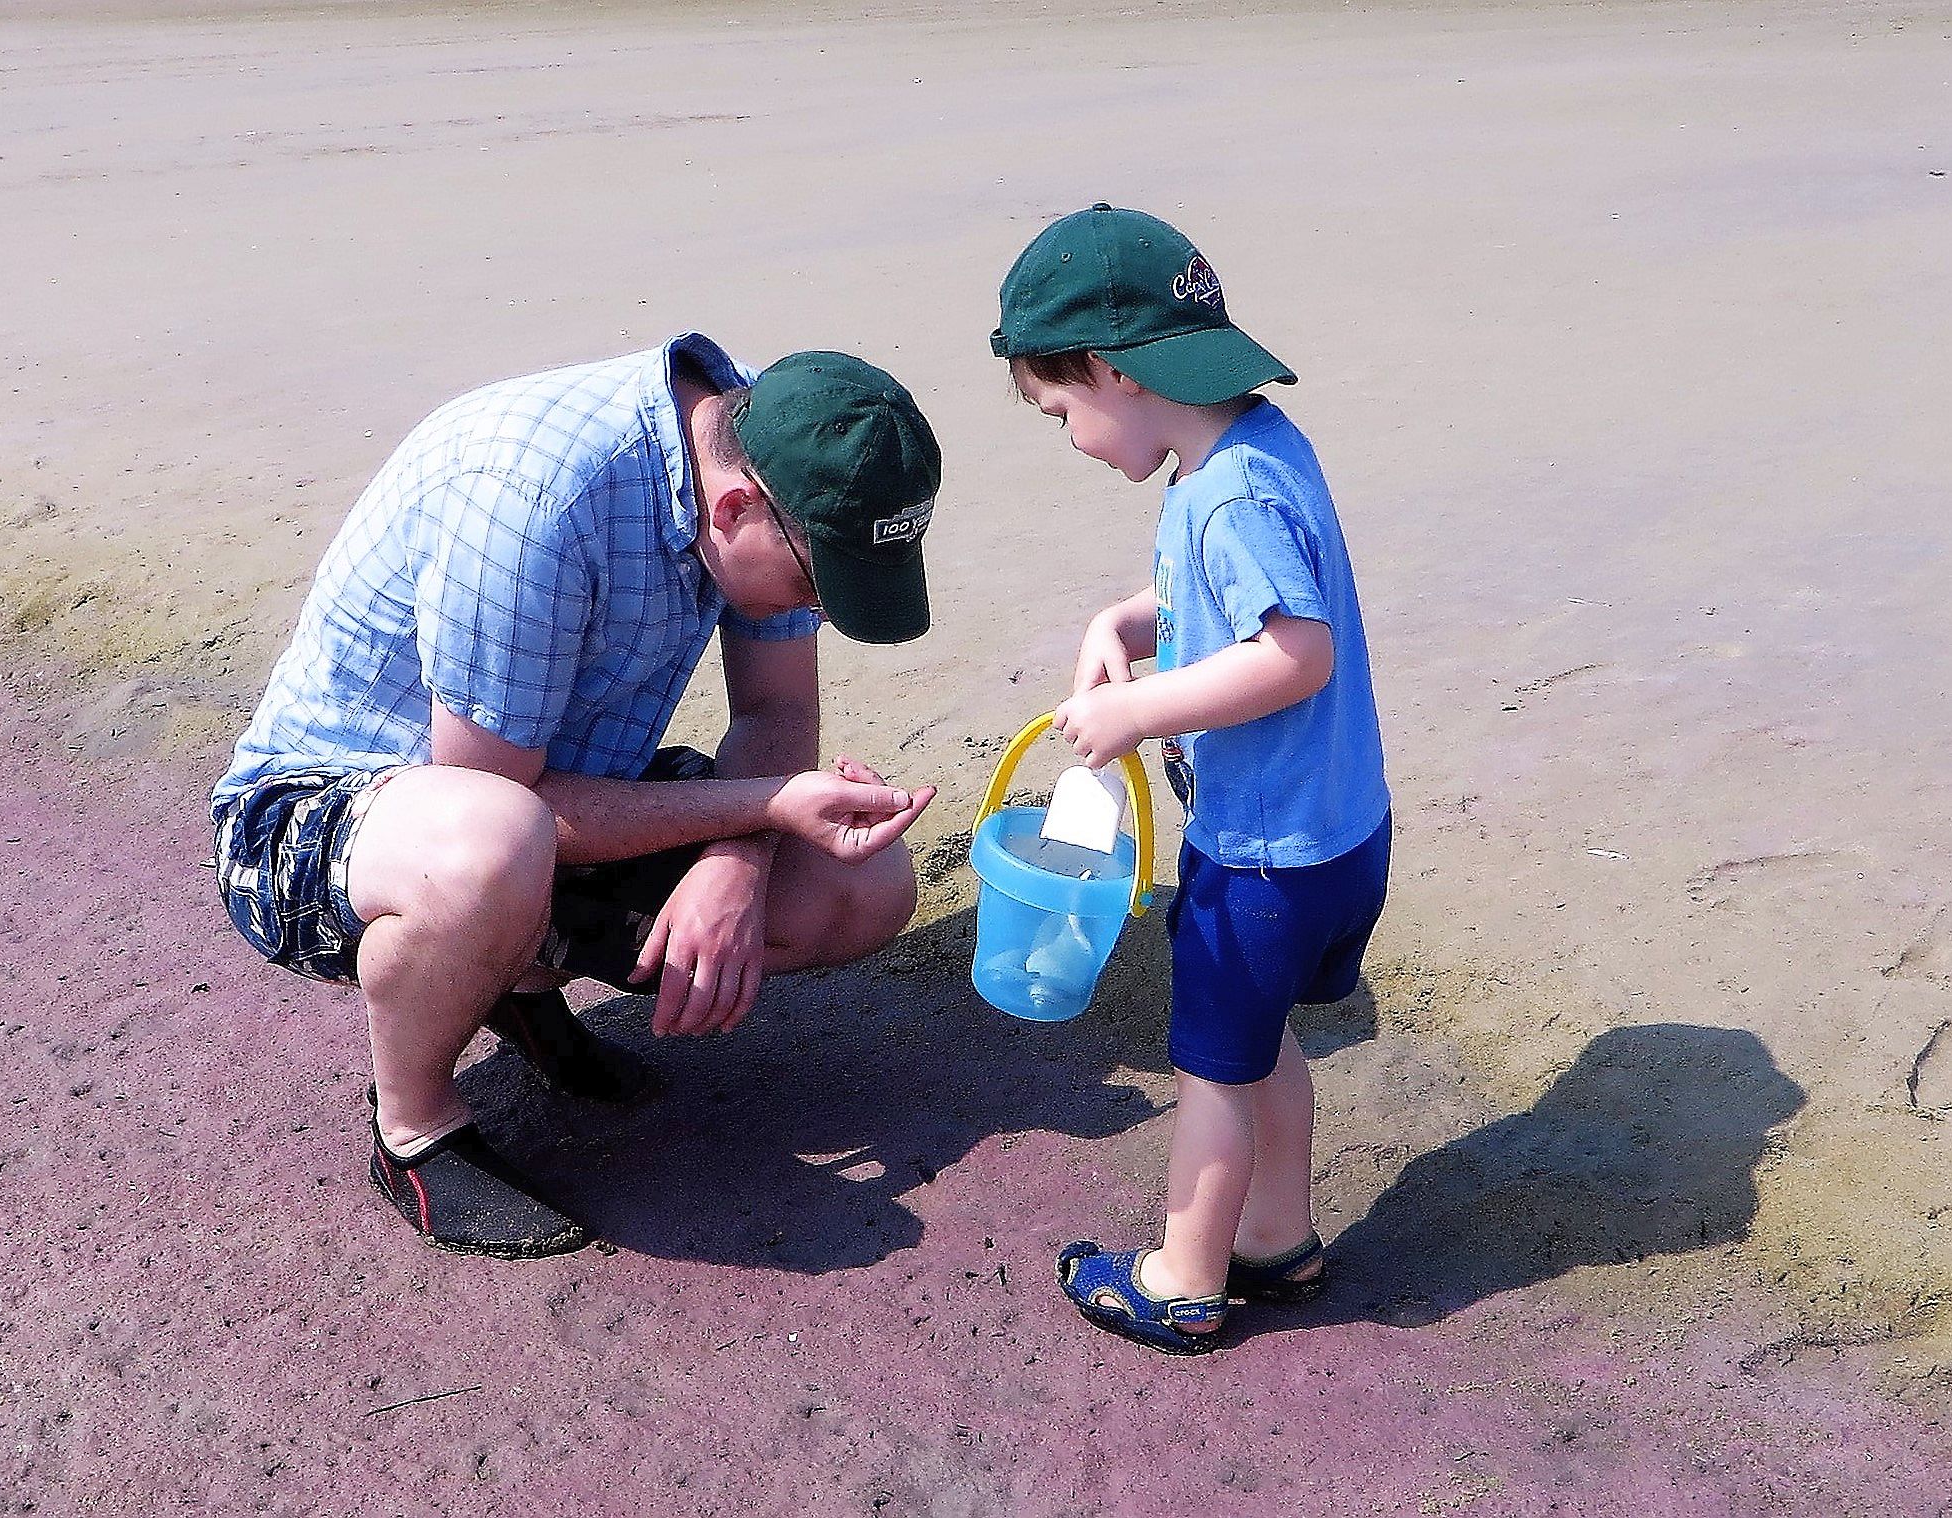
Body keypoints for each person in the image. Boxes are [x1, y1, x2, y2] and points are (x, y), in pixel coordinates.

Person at [210, 336, 942, 1259]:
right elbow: (494, 793)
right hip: (331, 817)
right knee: (493, 846)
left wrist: (738, 859)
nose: (822, 611)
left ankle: (516, 985)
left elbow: (777, 709)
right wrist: (758, 808)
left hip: (535, 800)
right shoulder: (532, 498)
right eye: (815, 584)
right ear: (733, 510)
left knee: (861, 885)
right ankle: (414, 1127)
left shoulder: (780, 443)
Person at [991, 206, 1390, 1352]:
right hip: (1333, 838)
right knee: (1261, 1044)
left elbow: (1294, 655)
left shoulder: (1224, 496)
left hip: (1261, 857)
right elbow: (1228, 599)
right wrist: (1123, 624)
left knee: (1211, 1067)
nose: (1070, 438)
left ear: (1112, 370)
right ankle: (1276, 1235)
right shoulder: (1253, 447)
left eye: (1060, 412)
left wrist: (1135, 709)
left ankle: (1182, 1278)